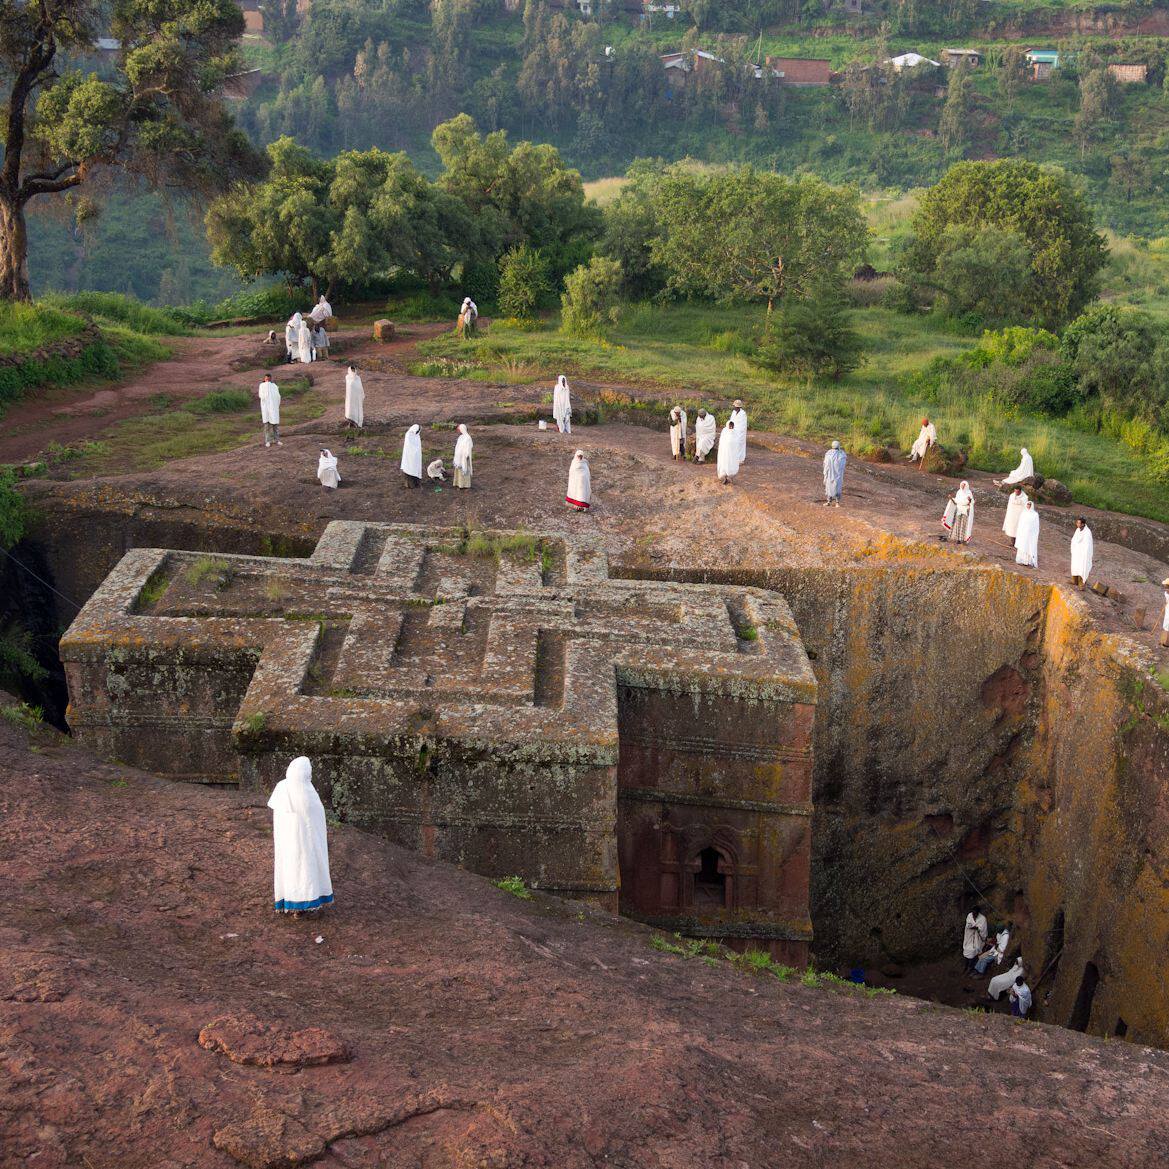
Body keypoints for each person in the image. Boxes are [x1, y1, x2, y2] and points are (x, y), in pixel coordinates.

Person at [267, 756, 333, 914]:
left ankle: (293, 903)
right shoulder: (307, 791)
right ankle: (309, 900)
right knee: (307, 870)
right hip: (306, 844)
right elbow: (317, 819)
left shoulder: (281, 788)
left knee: (291, 869)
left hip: (288, 844)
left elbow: (278, 815)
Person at [1015, 499, 1040, 568]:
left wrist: (1032, 532)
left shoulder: (1035, 514)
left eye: (1030, 505)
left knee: (1029, 547)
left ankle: (1028, 561)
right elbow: (1020, 523)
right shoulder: (1023, 513)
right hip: (1023, 533)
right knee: (1022, 546)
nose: (1028, 506)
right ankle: (1022, 560)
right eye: (1028, 504)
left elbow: (1036, 525)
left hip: (1030, 534)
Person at [258, 374, 281, 448]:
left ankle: (277, 440)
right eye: (266, 378)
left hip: (274, 408)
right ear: (264, 379)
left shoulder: (274, 386)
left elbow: (278, 396)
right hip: (266, 408)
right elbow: (261, 395)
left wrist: (276, 404)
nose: (267, 380)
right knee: (267, 425)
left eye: (268, 378)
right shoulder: (262, 385)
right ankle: (268, 441)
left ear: (270, 379)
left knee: (275, 425)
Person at [1070, 517, 1094, 588]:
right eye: (1077, 522)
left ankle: (1082, 583)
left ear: (1083, 524)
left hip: (1083, 554)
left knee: (1082, 567)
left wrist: (1084, 553)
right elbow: (1074, 540)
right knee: (1075, 566)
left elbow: (1087, 545)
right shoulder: (1077, 530)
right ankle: (1075, 580)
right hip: (1076, 552)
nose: (1077, 524)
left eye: (1079, 523)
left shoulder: (1087, 532)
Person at [962, 908, 988, 973]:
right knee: (967, 949)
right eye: (973, 913)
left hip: (977, 938)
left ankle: (970, 968)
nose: (974, 915)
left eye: (975, 913)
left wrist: (977, 928)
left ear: (978, 913)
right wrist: (975, 927)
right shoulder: (969, 915)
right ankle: (965, 966)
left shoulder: (983, 918)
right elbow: (968, 925)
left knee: (974, 950)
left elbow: (983, 929)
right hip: (969, 936)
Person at [823, 440, 846, 506]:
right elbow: (843, 465)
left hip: (830, 474)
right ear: (839, 446)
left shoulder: (828, 453)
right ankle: (837, 503)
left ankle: (829, 502)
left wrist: (825, 474)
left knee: (829, 487)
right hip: (838, 474)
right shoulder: (842, 454)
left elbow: (825, 464)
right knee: (837, 487)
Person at [717, 419, 740, 486]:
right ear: (727, 425)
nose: (731, 427)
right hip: (725, 453)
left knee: (731, 465)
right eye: (730, 426)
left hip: (733, 454)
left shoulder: (735, 432)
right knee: (724, 464)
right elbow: (722, 442)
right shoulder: (724, 431)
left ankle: (730, 477)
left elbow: (737, 443)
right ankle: (724, 478)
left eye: (732, 426)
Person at [401, 424, 422, 488]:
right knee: (409, 469)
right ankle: (410, 485)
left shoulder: (417, 436)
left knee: (415, 468)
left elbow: (417, 447)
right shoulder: (408, 435)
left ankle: (416, 482)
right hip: (408, 457)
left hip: (416, 457)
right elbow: (409, 447)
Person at [453, 423, 473, 490]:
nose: (458, 431)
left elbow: (469, 447)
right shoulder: (460, 437)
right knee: (459, 471)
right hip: (459, 458)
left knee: (465, 470)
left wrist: (465, 456)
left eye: (459, 429)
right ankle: (459, 484)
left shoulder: (468, 438)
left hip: (464, 458)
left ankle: (466, 485)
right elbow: (458, 446)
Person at [344, 365, 364, 429]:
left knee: (356, 409)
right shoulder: (347, 377)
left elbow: (360, 388)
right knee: (350, 409)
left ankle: (356, 422)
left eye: (354, 370)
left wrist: (361, 394)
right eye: (352, 370)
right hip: (350, 397)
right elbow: (349, 388)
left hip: (357, 397)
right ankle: (351, 422)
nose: (353, 371)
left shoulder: (358, 378)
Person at [730, 400, 748, 465]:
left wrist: (736, 429)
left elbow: (742, 425)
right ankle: (735, 459)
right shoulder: (733, 412)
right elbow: (731, 420)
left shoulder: (743, 414)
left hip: (740, 432)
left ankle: (741, 460)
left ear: (738, 407)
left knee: (740, 445)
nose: (734, 407)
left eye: (735, 406)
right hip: (734, 431)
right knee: (734, 445)